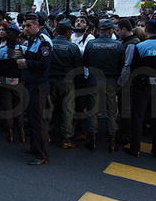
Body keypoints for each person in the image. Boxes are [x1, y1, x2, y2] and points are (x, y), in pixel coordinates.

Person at [125, 20, 156, 158]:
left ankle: (135, 149)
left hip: (142, 86)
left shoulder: (140, 47)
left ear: (146, 30)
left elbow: (134, 68)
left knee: (138, 117)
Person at [83, 18, 124, 152]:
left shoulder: (91, 43)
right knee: (111, 110)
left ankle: (92, 139)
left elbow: (86, 62)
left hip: (94, 78)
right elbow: (121, 65)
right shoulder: (118, 44)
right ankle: (112, 140)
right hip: (110, 80)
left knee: (93, 110)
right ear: (111, 30)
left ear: (99, 30)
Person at [18, 12, 53, 165]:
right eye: (24, 25)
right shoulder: (32, 39)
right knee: (31, 117)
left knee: (38, 119)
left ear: (37, 25)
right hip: (31, 83)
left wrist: (26, 63)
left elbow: (44, 64)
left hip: (39, 84)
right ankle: (34, 147)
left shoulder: (43, 41)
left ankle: (42, 154)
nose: (25, 28)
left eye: (29, 25)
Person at [48, 20, 82, 149]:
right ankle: (66, 138)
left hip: (50, 80)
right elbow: (78, 67)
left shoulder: (49, 44)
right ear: (68, 33)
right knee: (68, 110)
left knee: (49, 108)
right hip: (67, 82)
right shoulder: (72, 47)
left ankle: (47, 134)